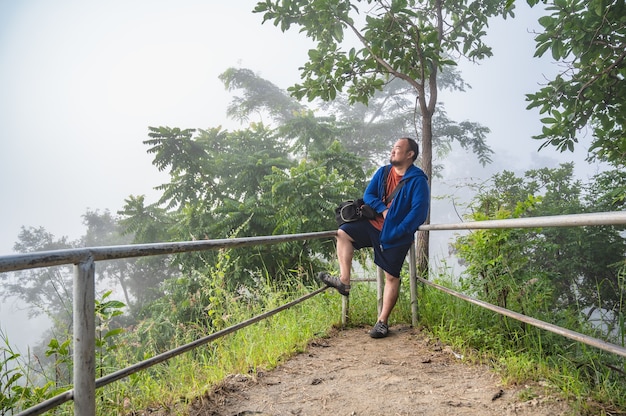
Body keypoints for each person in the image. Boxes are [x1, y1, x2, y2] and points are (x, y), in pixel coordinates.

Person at [317, 137, 430, 338]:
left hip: (396, 234)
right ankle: (344, 281)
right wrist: (383, 209)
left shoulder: (418, 181)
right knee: (343, 233)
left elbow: (418, 213)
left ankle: (382, 321)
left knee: (391, 277)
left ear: (410, 154)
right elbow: (369, 196)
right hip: (373, 225)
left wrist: (398, 230)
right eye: (393, 148)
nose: (393, 151)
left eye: (397, 148)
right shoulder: (384, 172)